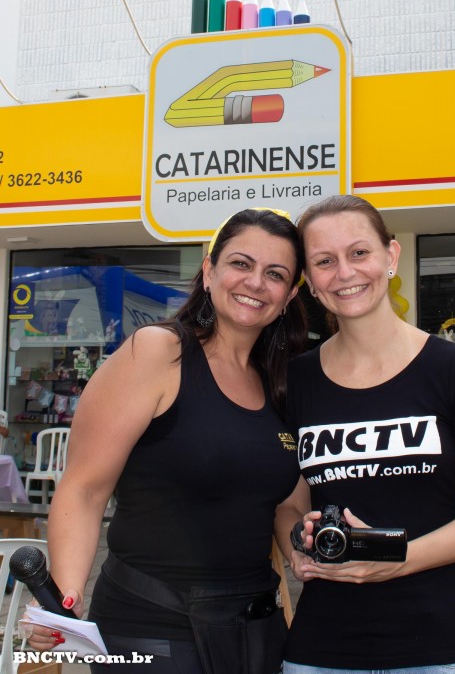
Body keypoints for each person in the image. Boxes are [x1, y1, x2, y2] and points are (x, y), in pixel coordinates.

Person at [24, 207, 307, 674]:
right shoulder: (159, 352)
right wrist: (65, 593)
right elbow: (85, 488)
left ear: (290, 295)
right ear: (209, 271)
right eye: (241, 263)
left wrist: (309, 554)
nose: (256, 282)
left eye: (275, 274)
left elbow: (286, 505)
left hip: (254, 630)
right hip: (151, 629)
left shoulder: (282, 383)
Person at [275, 194, 455, 674]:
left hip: (442, 647)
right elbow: (289, 503)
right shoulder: (296, 380)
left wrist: (398, 558)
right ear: (309, 279)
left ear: (390, 255)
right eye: (324, 261)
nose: (344, 272)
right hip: (322, 648)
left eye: (359, 252)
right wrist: (296, 549)